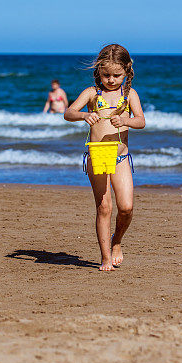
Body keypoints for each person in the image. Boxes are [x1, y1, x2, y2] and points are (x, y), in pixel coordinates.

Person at [64, 44, 145, 271]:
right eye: (106, 74)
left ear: (127, 72)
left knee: (127, 207)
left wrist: (127, 121)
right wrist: (84, 115)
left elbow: (141, 121)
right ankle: (105, 257)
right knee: (104, 207)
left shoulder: (129, 96)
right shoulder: (92, 93)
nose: (111, 80)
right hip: (97, 155)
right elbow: (68, 113)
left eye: (116, 75)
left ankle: (116, 241)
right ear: (98, 71)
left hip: (120, 159)